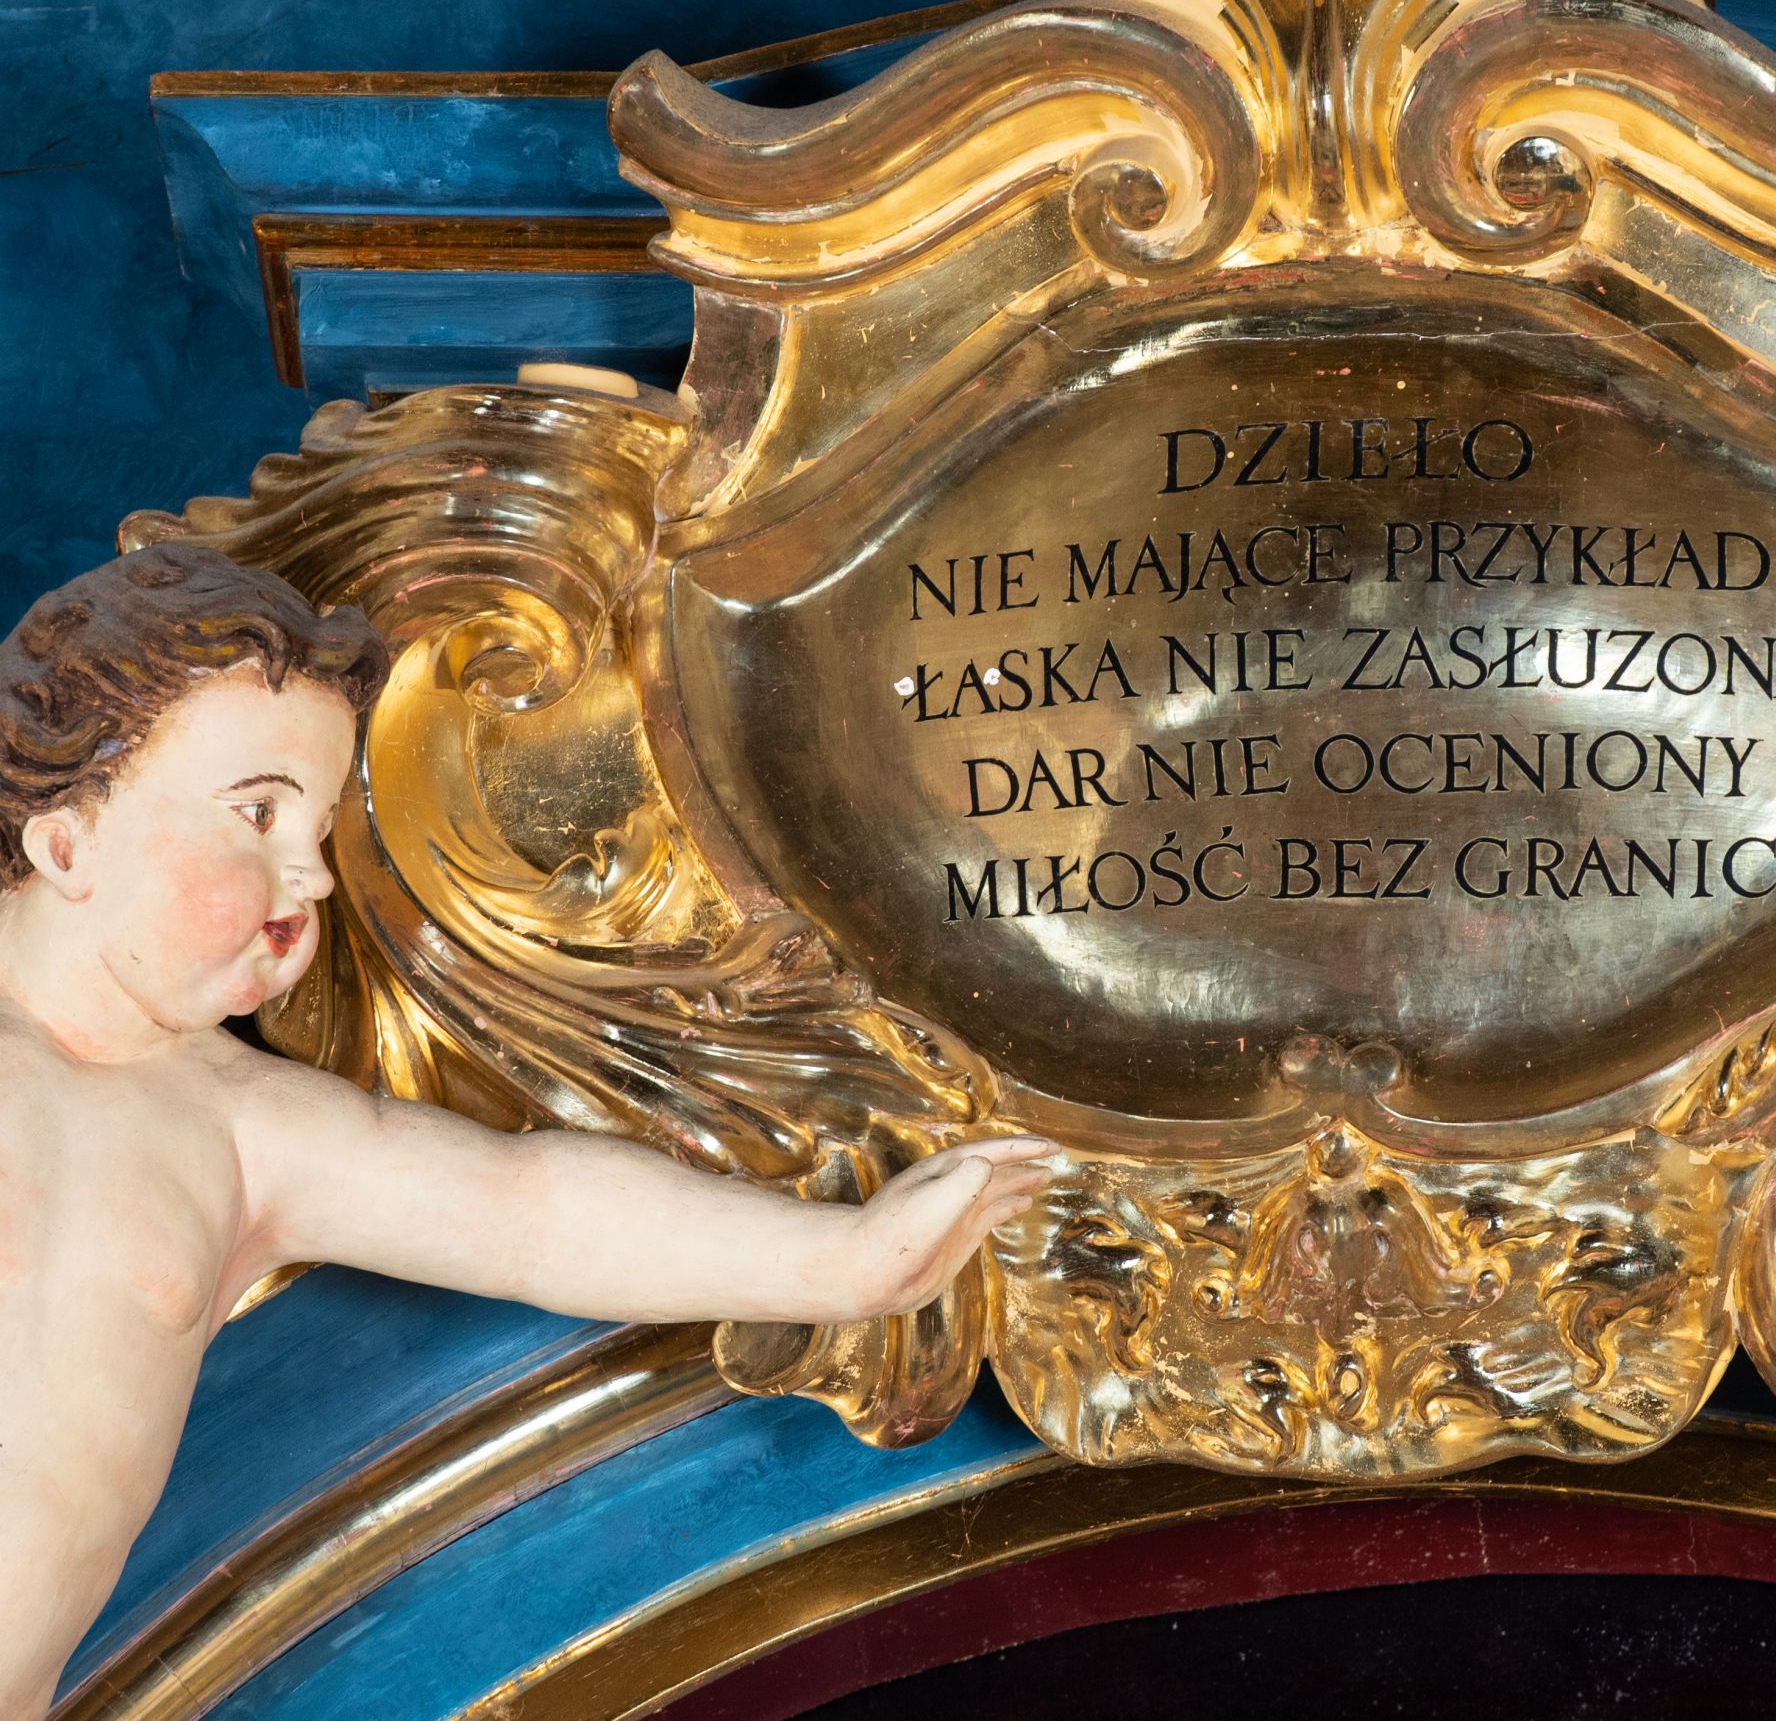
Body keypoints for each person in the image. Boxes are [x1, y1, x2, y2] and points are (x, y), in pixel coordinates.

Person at [0, 544, 1057, 1715]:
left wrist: (849, 1262)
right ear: (67, 835)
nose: (311, 879)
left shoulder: (240, 1130)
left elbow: (530, 1212)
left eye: (316, 835)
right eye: (258, 814)